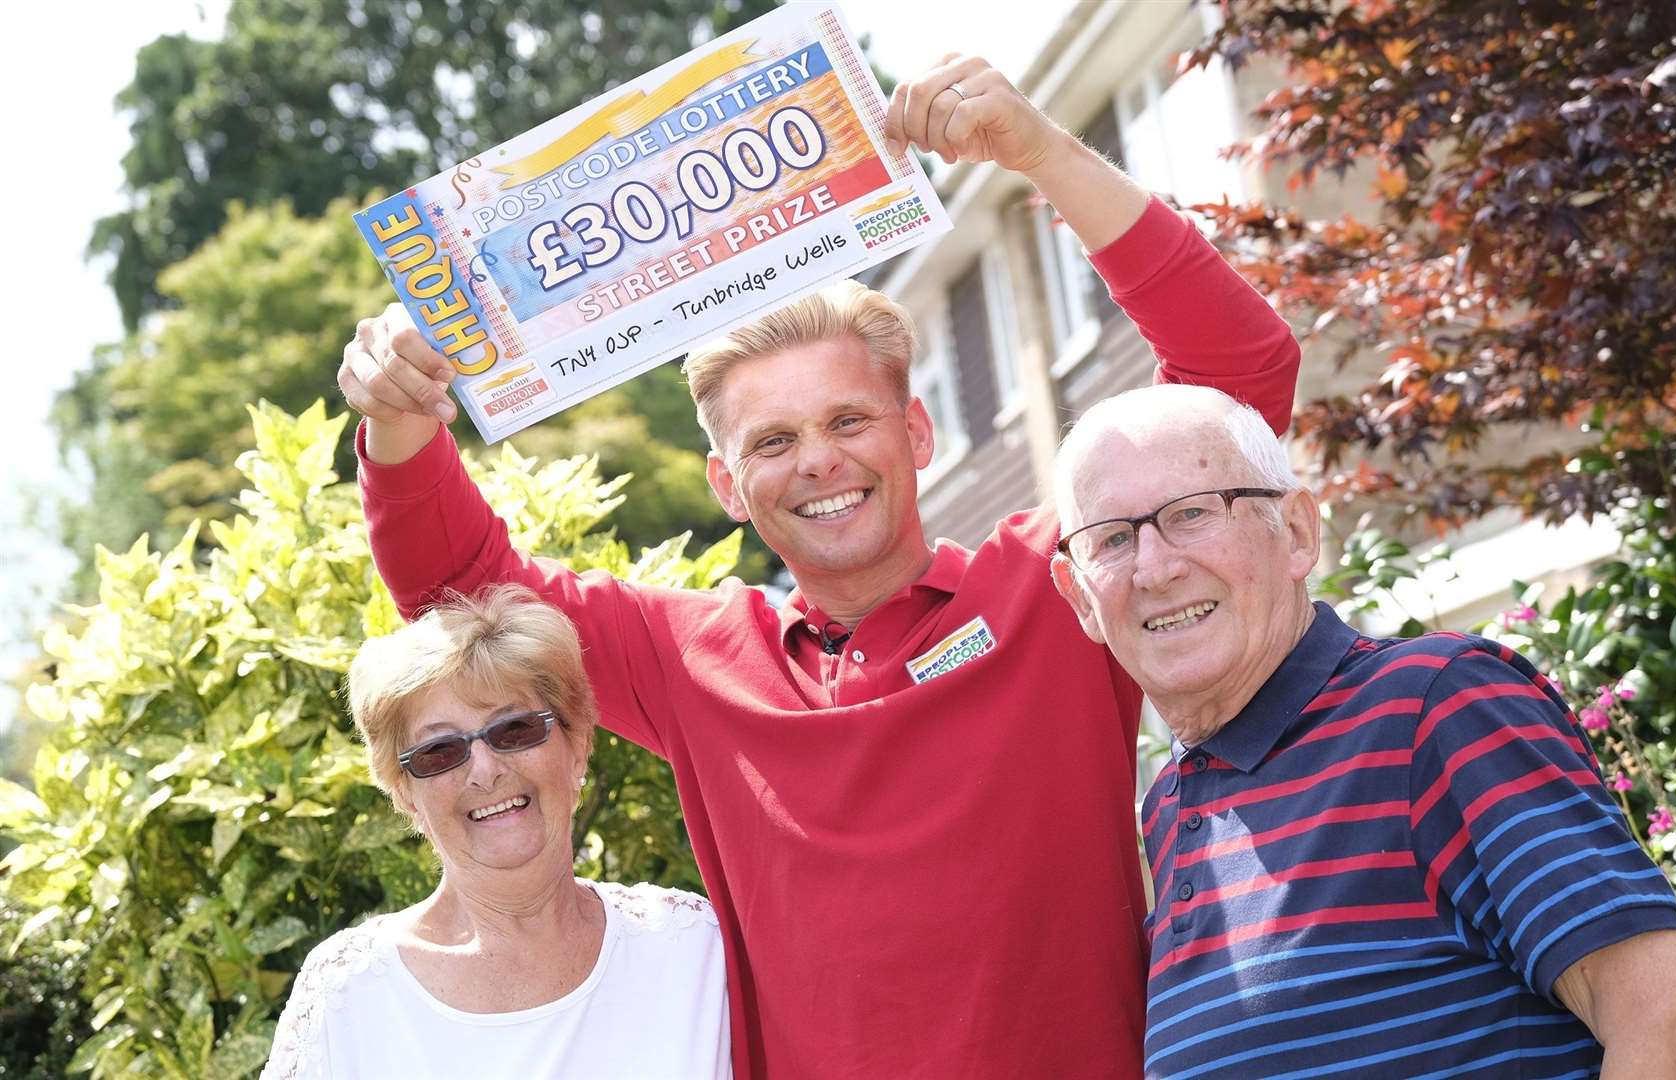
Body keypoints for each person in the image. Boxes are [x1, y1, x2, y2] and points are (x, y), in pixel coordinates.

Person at [336, 54, 1301, 1078]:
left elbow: (1235, 386)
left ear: (916, 433)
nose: (817, 462)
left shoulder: (1058, 583)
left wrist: (1038, 152)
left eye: (847, 420)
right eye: (771, 441)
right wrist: (400, 417)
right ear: (725, 484)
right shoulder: (691, 658)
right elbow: (456, 590)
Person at [1048, 383, 1676, 1079]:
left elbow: (1665, 1021)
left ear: (1296, 532)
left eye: (1192, 514)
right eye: (1112, 538)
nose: (1154, 566)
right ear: (1079, 596)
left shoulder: (1435, 705)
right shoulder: (1170, 810)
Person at [261, 586, 731, 1080]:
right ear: (403, 794)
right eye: (439, 752)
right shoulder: (350, 996)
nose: (484, 770)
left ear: (578, 746)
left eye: (514, 730)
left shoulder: (689, 951)